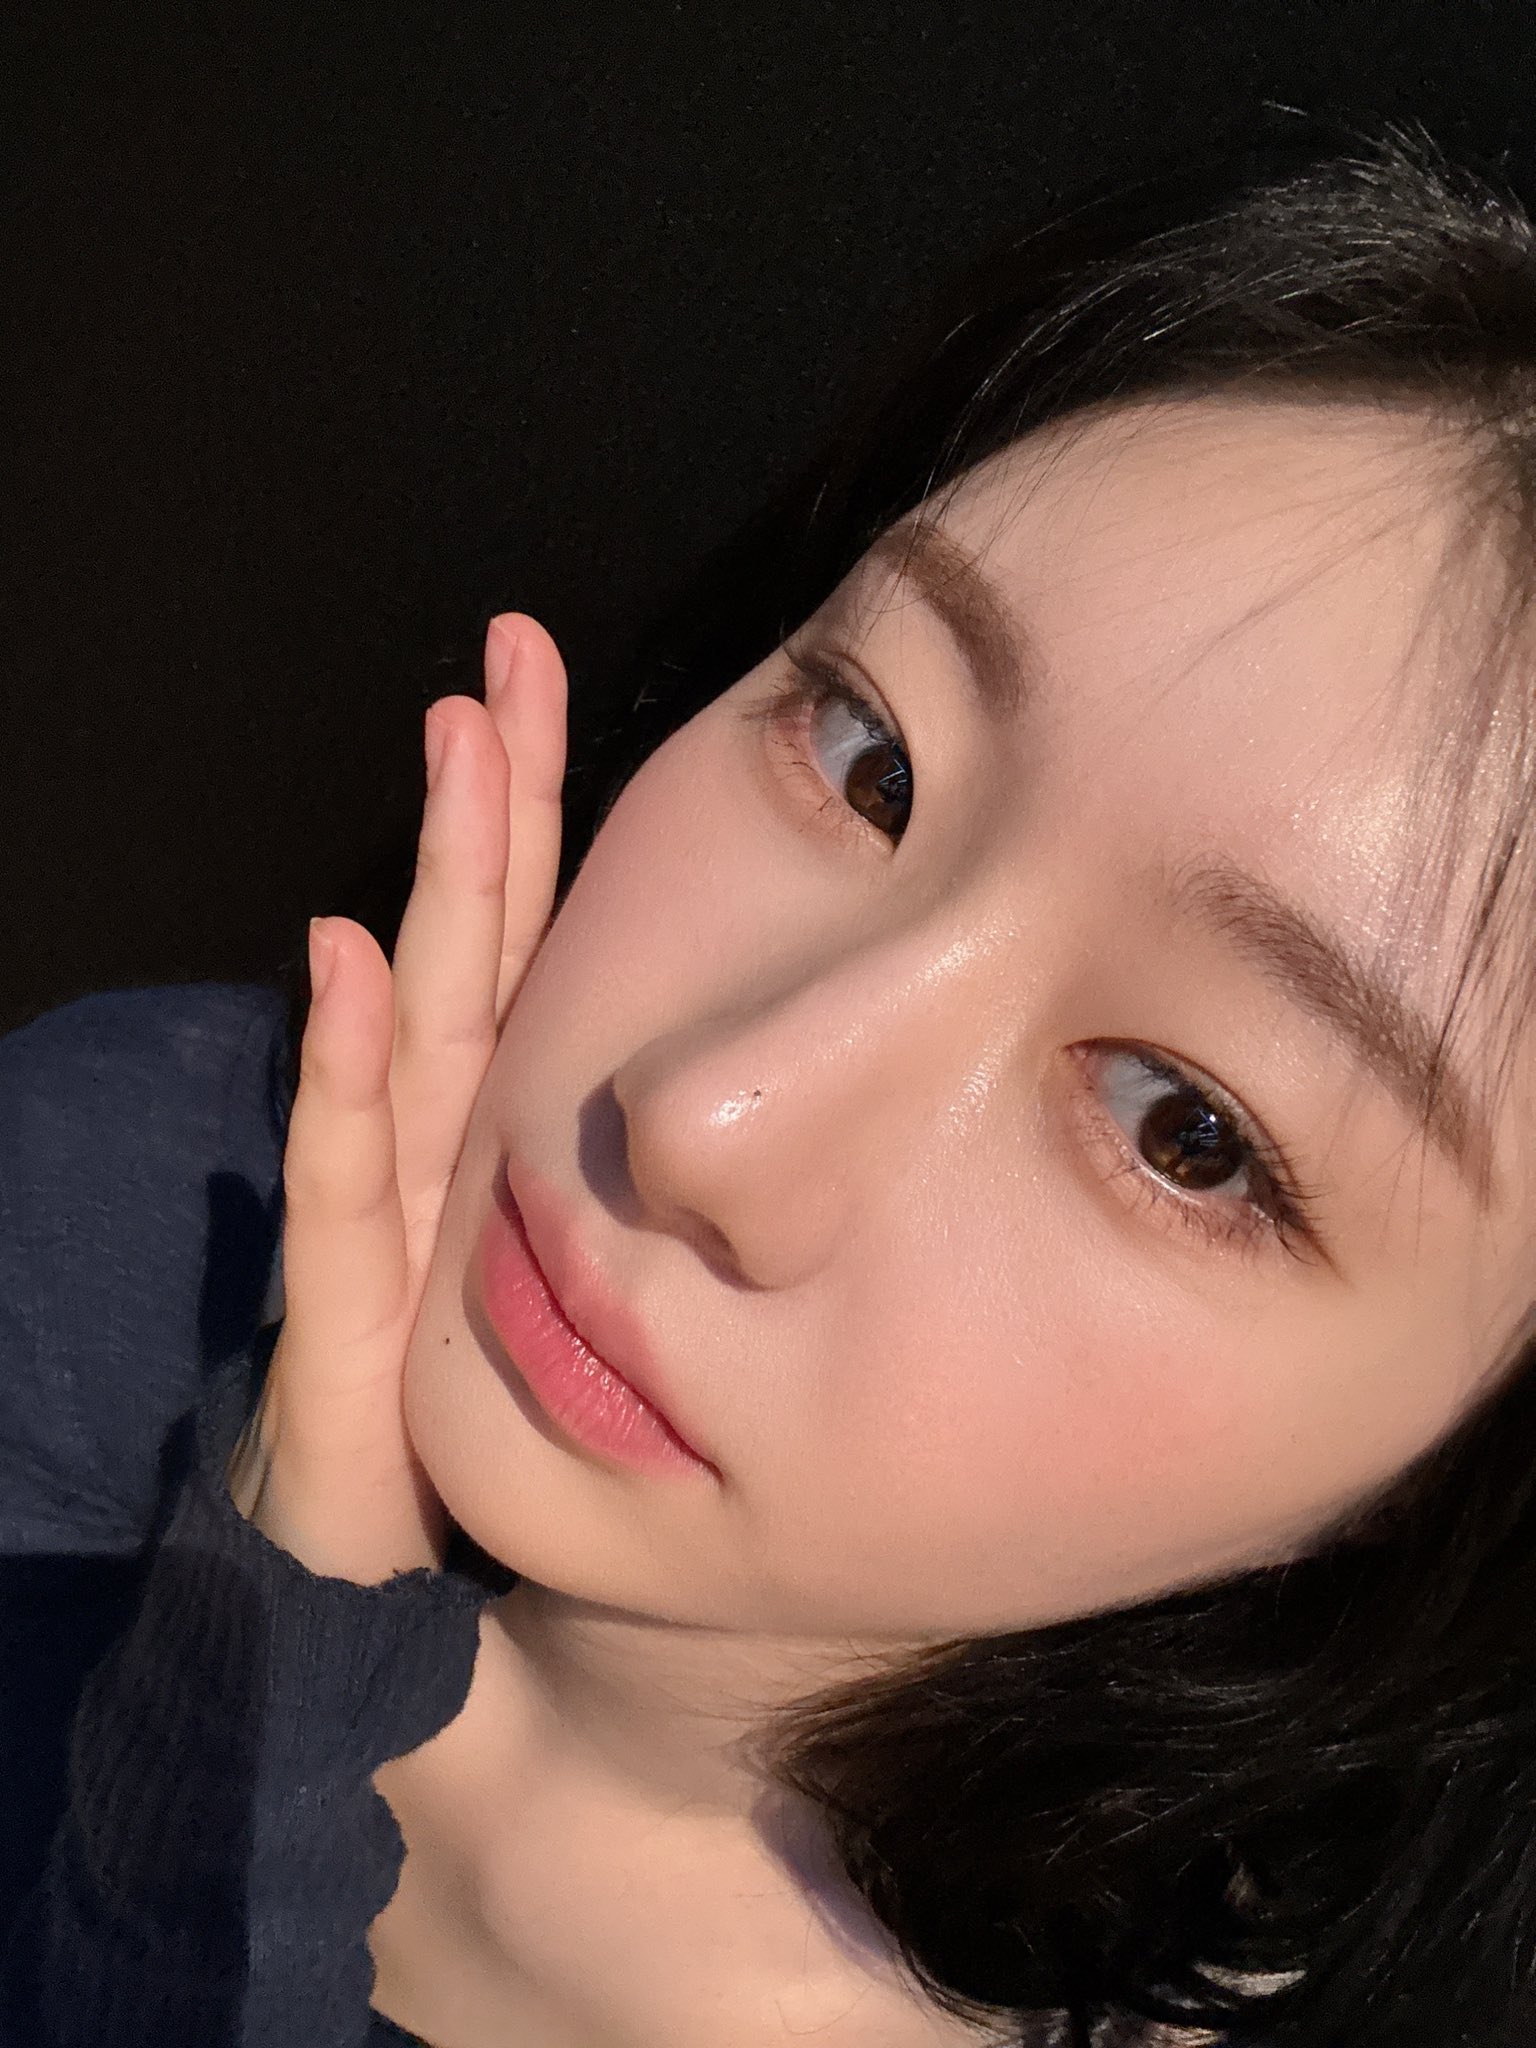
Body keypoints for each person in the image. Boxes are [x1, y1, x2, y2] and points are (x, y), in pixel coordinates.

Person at [4, 111, 1536, 2048]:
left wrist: (233, 1784)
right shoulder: (121, 1206)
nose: (702, 1119)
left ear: (1453, 1485)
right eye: (871, 760)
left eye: (1189, 1132)